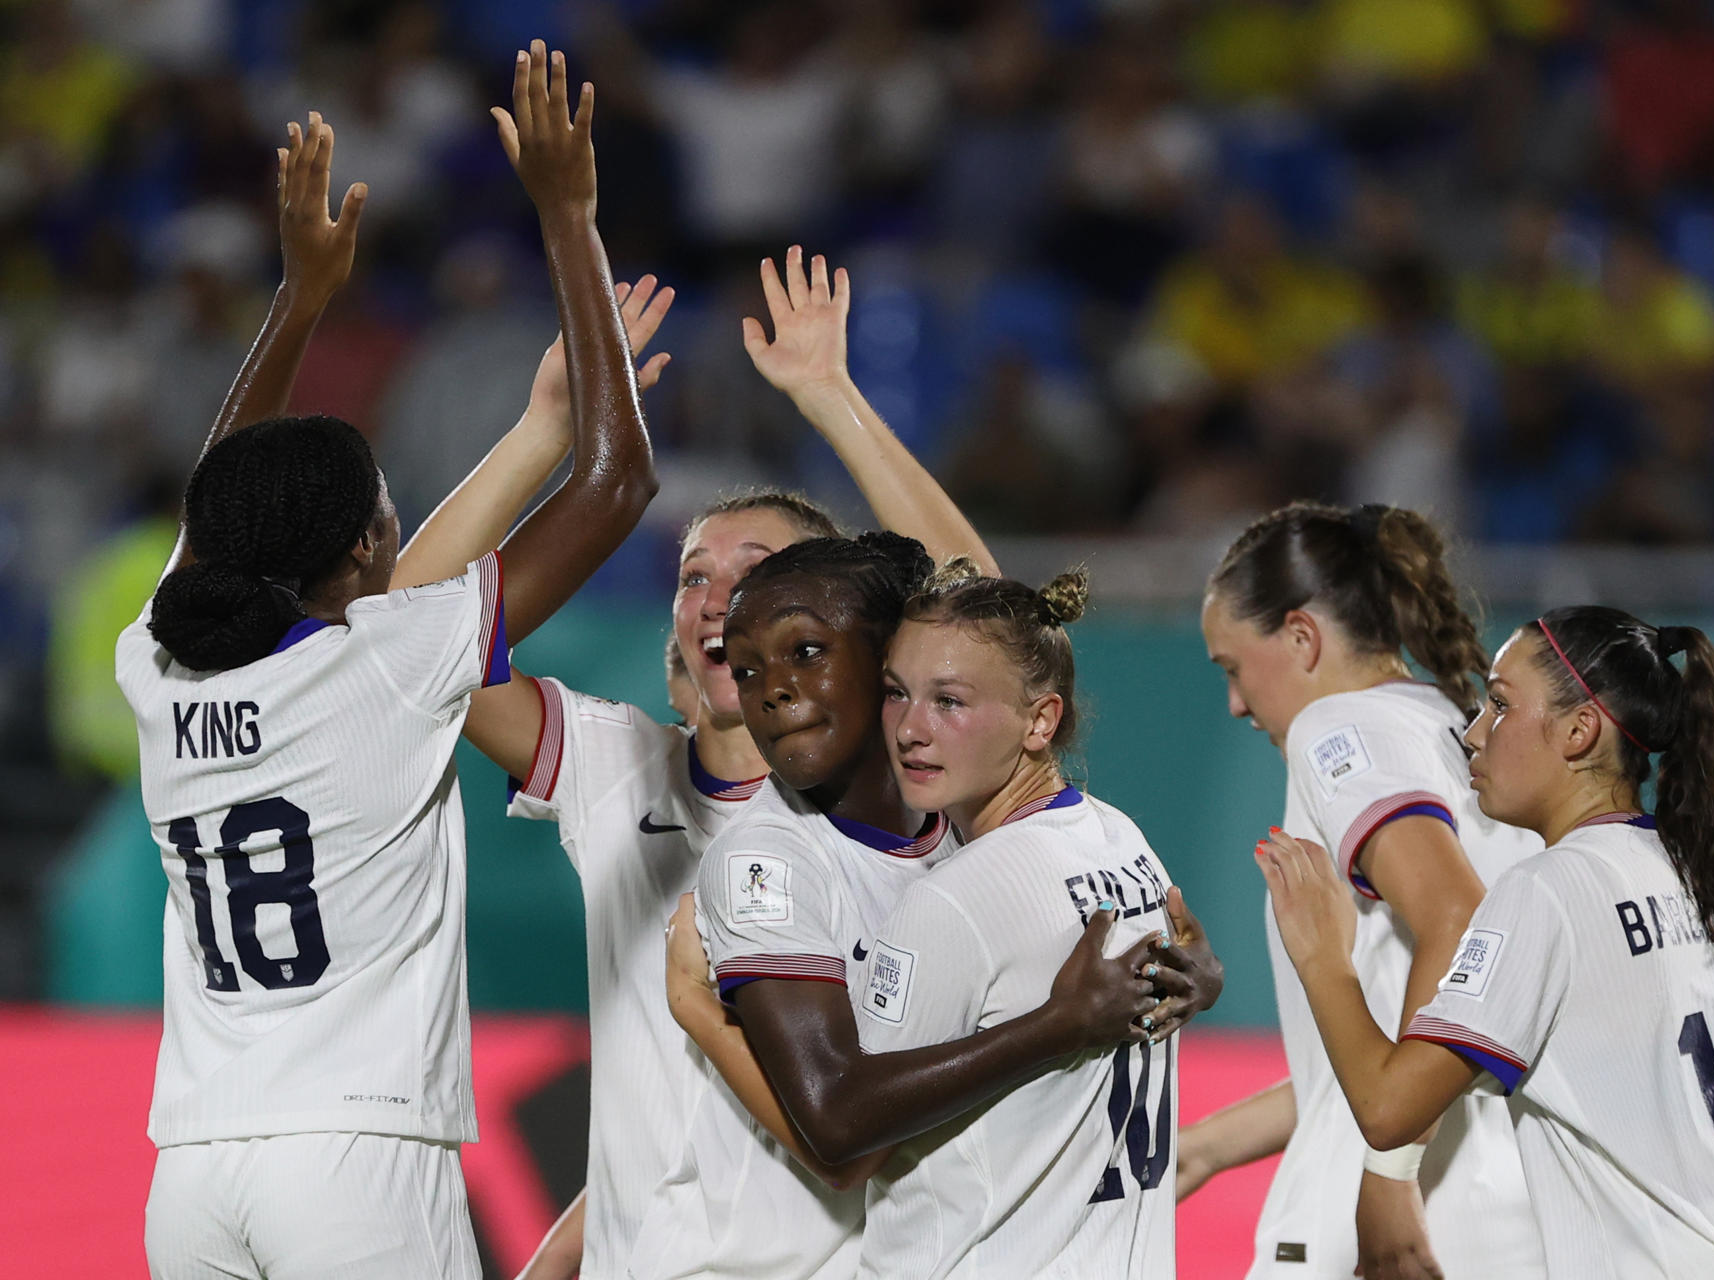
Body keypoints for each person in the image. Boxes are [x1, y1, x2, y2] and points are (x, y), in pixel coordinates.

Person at [124, 44, 658, 1279]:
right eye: (386, 519)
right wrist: (571, 220)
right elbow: (620, 481)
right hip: (358, 1162)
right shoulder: (389, 665)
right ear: (366, 554)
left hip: (191, 1169)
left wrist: (297, 300)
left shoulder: (157, 662)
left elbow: (225, 506)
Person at [393, 245, 1013, 1280]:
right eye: (694, 574)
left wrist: (830, 397)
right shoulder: (613, 765)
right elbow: (404, 636)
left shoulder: (893, 791)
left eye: (760, 572)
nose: (719, 594)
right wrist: (543, 428)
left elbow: (987, 615)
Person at [644, 537, 1215, 1280]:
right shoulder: (1111, 833)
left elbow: (848, 1130)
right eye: (746, 670)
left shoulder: (963, 865)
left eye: (808, 652)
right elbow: (841, 1128)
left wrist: (699, 1007)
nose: (773, 690)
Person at [1257, 607, 1714, 1278]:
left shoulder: (1547, 893)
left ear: (1580, 732)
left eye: (1499, 705)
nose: (1473, 733)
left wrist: (1322, 957)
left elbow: (1386, 1110)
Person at [1178, 502, 1543, 1279]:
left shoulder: (1338, 728)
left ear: (1302, 637)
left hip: (1388, 1210)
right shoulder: (1453, 727)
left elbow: (1456, 919)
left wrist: (1389, 1178)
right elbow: (1398, 1041)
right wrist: (1205, 1149)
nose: (1237, 704)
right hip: (1496, 1199)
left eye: (1233, 669)